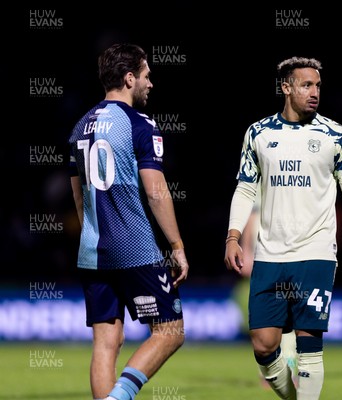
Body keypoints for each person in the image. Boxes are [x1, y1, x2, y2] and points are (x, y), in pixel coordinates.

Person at [224, 56, 342, 399]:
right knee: (264, 345)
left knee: (309, 342)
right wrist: (233, 236)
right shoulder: (259, 134)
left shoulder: (335, 135)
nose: (314, 92)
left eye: (318, 86)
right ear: (286, 87)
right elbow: (245, 189)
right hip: (269, 254)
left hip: (316, 252)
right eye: (306, 85)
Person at [69, 43, 189, 400]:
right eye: (147, 75)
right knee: (171, 330)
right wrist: (178, 246)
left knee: (107, 341)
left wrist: (94, 231)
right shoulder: (140, 124)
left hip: (92, 250)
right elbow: (156, 191)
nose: (151, 83)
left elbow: (79, 197)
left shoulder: (79, 127)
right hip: (133, 247)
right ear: (129, 77)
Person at [231, 183, 299, 389]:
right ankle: (273, 372)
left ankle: (282, 371)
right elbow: (254, 213)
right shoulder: (263, 166)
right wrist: (247, 248)